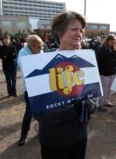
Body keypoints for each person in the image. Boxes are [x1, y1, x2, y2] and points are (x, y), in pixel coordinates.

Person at [33, 11, 93, 159]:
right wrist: (74, 110)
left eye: (81, 30)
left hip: (80, 136)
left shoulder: (87, 62)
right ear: (60, 32)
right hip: (55, 140)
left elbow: (94, 98)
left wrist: (89, 106)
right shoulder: (40, 64)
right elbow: (39, 112)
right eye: (74, 29)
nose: (79, 34)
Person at [17, 34, 44, 146]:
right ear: (32, 46)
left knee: (43, 110)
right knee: (29, 112)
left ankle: (42, 131)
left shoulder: (39, 51)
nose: (41, 48)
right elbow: (30, 68)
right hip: (30, 88)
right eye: (39, 46)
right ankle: (23, 134)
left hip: (41, 86)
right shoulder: (23, 53)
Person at [96, 34, 116, 110]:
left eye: (114, 42)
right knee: (103, 88)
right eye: (112, 42)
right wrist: (114, 62)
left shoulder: (113, 49)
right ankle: (100, 104)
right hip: (104, 73)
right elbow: (106, 62)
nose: (113, 44)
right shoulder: (102, 49)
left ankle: (107, 101)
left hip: (111, 72)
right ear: (107, 41)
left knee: (109, 88)